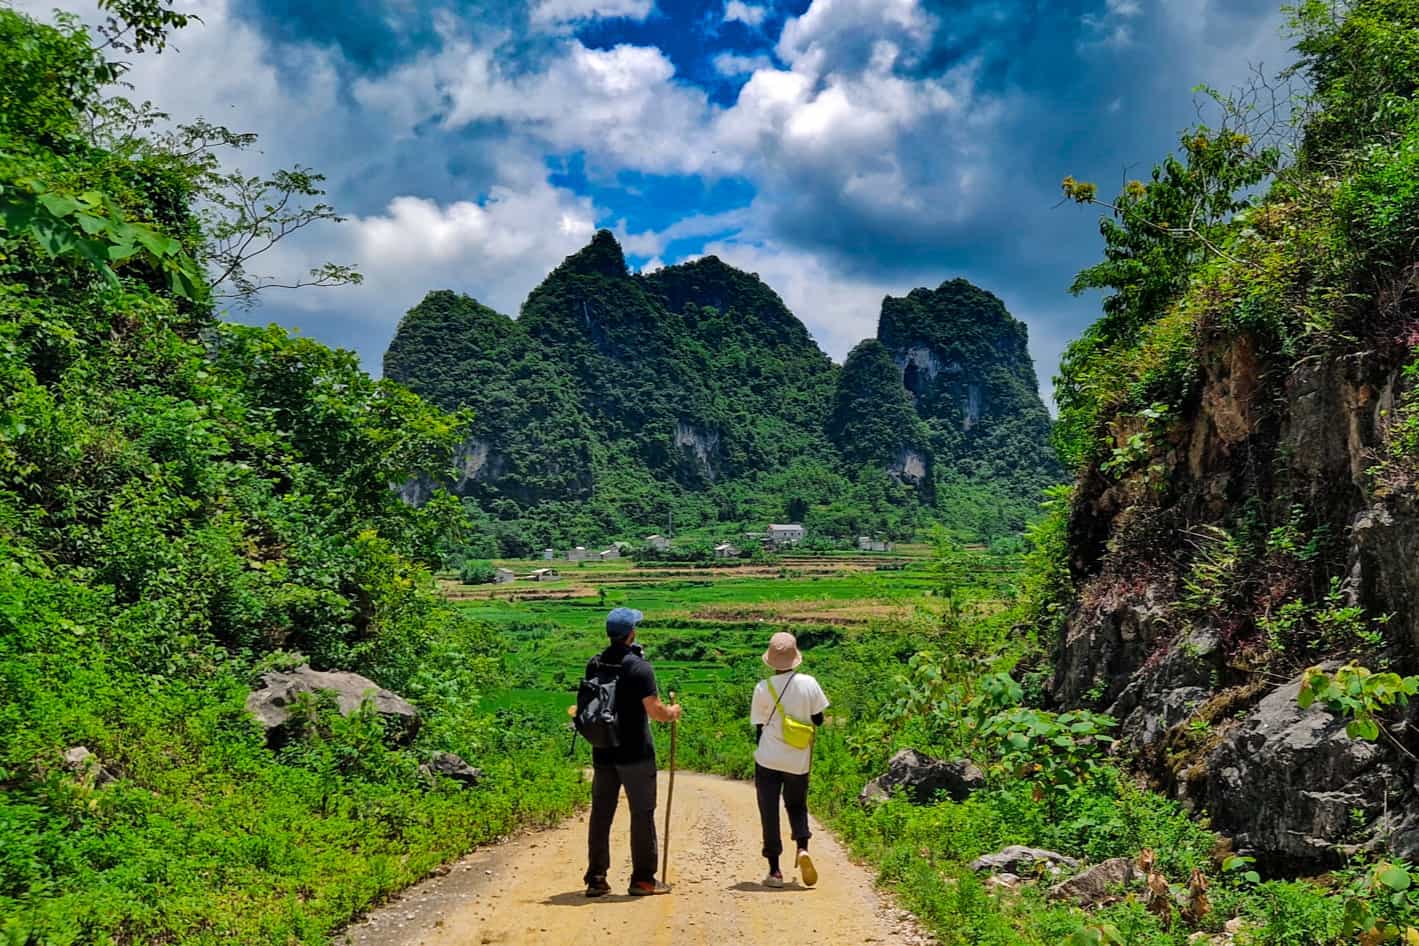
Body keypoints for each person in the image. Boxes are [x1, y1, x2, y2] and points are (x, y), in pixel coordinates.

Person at [583, 606, 682, 897]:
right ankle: (642, 880)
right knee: (641, 813)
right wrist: (673, 712)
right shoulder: (640, 668)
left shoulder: (595, 663)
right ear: (631, 634)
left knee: (601, 814)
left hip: (603, 750)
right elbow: (655, 711)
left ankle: (597, 879)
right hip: (636, 753)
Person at [750, 631, 829, 888]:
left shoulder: (763, 688)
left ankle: (774, 871)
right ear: (796, 658)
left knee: (769, 810)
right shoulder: (809, 683)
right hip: (798, 760)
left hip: (768, 759)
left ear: (771, 661)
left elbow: (759, 727)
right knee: (797, 805)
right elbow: (818, 719)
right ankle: (803, 848)